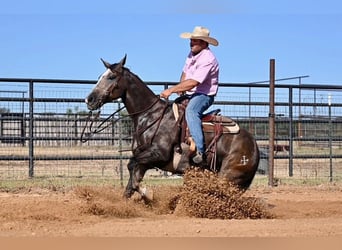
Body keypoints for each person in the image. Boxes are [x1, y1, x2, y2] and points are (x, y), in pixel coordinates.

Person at [160, 26, 219, 165]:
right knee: (174, 109)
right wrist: (181, 88)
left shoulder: (208, 59)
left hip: (204, 95)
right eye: (191, 40)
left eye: (195, 41)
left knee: (192, 111)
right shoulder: (192, 54)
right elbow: (185, 73)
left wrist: (171, 90)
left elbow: (194, 82)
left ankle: (200, 150)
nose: (191, 43)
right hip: (192, 92)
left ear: (205, 43)